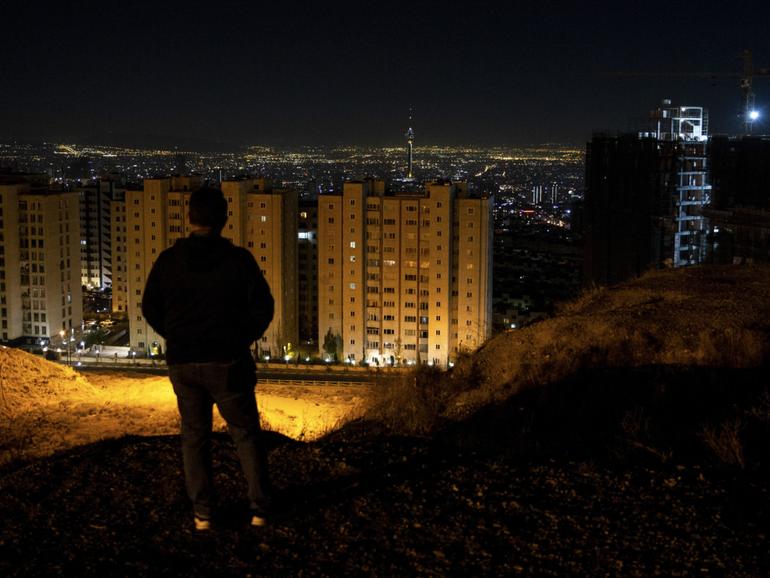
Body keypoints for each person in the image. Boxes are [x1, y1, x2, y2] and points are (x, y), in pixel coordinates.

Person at [142, 186, 274, 532]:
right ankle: (260, 510)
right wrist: (240, 338)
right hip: (227, 361)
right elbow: (264, 307)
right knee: (245, 434)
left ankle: (204, 515)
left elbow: (149, 307)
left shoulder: (169, 261)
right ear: (224, 219)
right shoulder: (238, 260)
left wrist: (176, 335)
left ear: (189, 217)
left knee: (195, 437)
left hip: (184, 362)